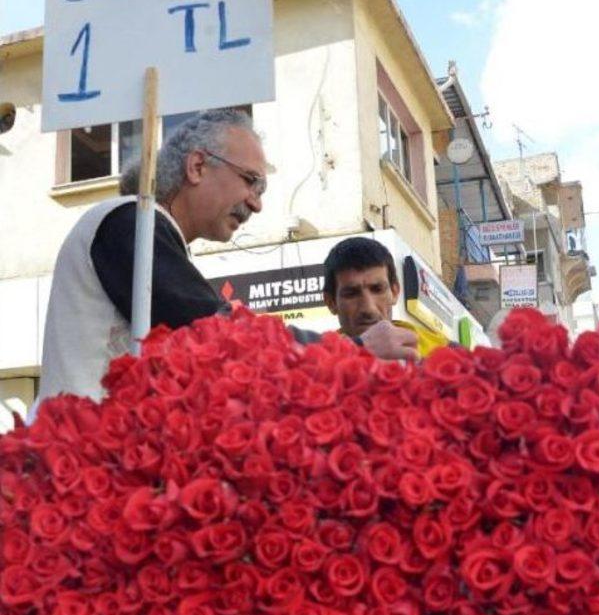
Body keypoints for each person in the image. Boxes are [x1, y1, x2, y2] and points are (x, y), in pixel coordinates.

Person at [36, 109, 417, 408]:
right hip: (79, 469)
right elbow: (222, 337)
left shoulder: (147, 231)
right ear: (197, 166)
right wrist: (353, 351)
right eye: (250, 180)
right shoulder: (129, 220)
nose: (257, 202)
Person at [323, 236, 449, 357]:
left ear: (395, 292)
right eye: (351, 294)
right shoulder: (314, 363)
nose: (368, 308)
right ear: (331, 302)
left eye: (377, 289)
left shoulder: (443, 351)